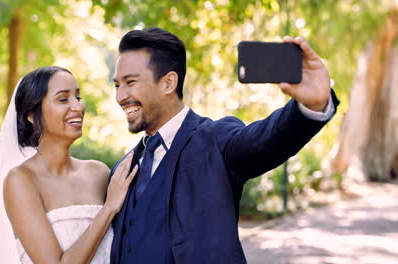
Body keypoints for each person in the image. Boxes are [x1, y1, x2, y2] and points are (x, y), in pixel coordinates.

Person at [109, 27, 339, 263]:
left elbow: (268, 139)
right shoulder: (122, 170)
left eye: (130, 82)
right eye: (117, 85)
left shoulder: (216, 141)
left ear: (168, 83)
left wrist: (312, 106)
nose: (120, 96)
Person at [0, 66, 138, 264]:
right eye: (63, 99)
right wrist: (108, 209)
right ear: (31, 114)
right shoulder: (21, 180)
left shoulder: (98, 173)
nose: (78, 107)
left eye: (78, 98)